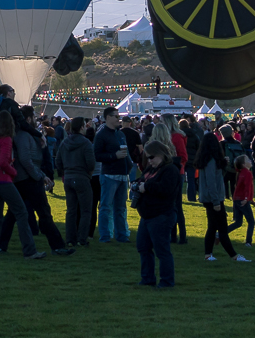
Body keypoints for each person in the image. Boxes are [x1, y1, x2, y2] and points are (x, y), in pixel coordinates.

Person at [0, 110, 41, 261]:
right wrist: (13, 171)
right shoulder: (6, 139)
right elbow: (2, 162)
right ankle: (29, 250)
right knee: (21, 212)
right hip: (3, 180)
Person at [194, 129, 247, 263]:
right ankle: (233, 255)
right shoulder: (211, 161)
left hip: (209, 197)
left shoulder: (206, 160)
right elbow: (212, 182)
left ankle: (208, 254)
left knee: (212, 226)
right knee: (222, 228)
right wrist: (216, 201)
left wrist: (222, 164)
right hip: (214, 198)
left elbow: (215, 179)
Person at [134, 141, 178, 287]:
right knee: (143, 247)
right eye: (147, 157)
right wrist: (137, 184)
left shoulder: (170, 170)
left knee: (162, 250)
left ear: (161, 154)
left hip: (161, 214)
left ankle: (166, 281)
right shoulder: (150, 169)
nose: (149, 160)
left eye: (152, 157)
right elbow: (142, 180)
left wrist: (145, 186)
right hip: (147, 215)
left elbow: (166, 189)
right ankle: (147, 278)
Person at [95, 108, 132, 243]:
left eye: (118, 116)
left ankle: (121, 235)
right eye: (115, 116)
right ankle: (105, 236)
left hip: (122, 174)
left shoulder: (120, 134)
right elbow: (97, 155)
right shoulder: (102, 135)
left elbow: (126, 151)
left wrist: (129, 165)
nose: (118, 119)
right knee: (105, 207)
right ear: (107, 118)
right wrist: (113, 156)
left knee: (121, 208)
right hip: (109, 175)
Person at [57, 118, 95, 247]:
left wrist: (64, 172)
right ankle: (81, 238)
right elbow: (91, 163)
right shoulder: (86, 143)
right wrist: (87, 172)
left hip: (68, 177)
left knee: (71, 210)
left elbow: (58, 161)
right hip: (82, 177)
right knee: (86, 211)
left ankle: (70, 239)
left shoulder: (64, 142)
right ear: (81, 127)